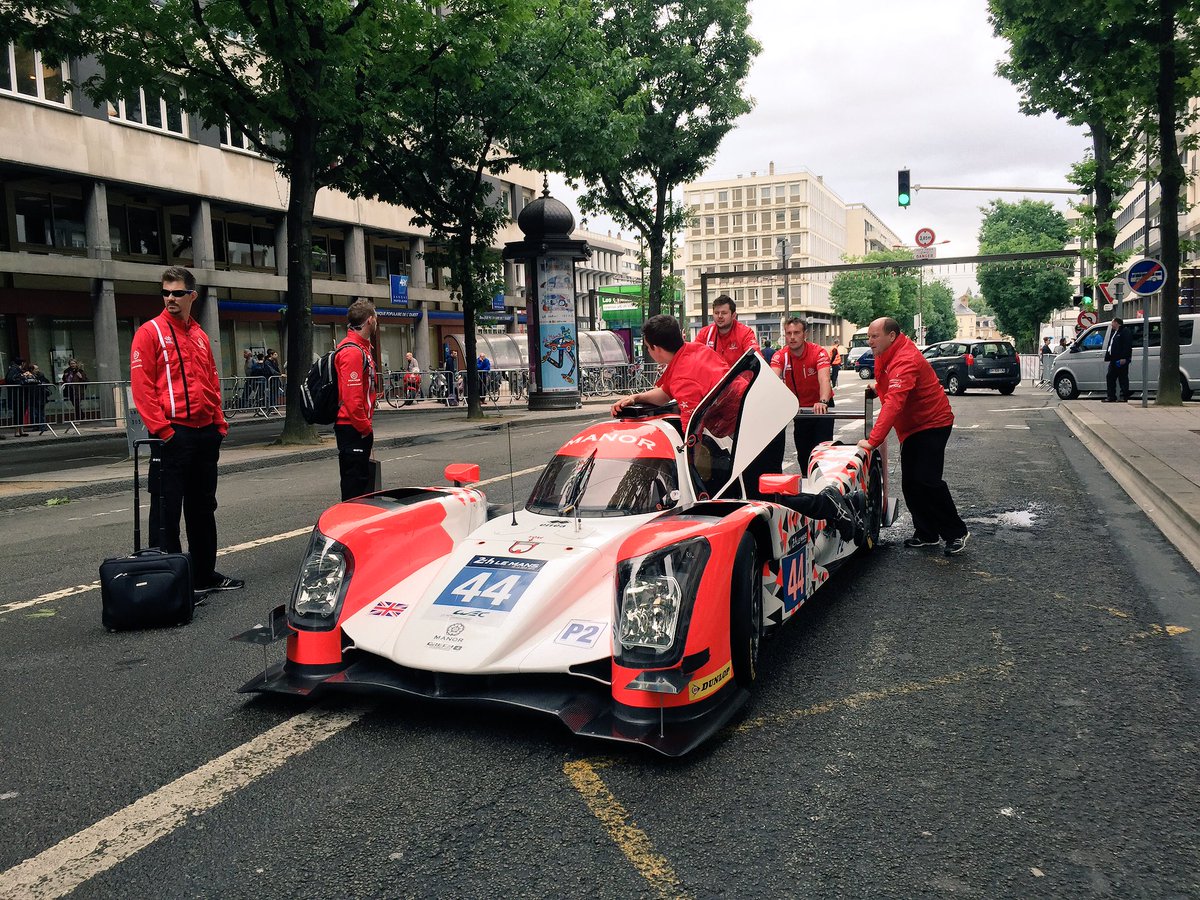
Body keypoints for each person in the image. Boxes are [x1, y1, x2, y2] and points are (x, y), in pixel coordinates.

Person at [611, 315, 858, 539]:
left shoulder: (684, 377)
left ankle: (828, 506)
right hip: (759, 418)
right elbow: (665, 393)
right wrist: (636, 398)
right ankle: (828, 507)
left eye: (646, 346)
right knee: (755, 492)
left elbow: (691, 439)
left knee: (759, 496)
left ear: (655, 349)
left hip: (758, 428)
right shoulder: (693, 351)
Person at [130, 266, 243, 598]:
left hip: (205, 433)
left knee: (203, 508)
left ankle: (204, 575)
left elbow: (209, 381)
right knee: (166, 511)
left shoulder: (200, 335)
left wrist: (218, 423)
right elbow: (143, 389)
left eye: (177, 293)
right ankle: (169, 583)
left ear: (192, 296)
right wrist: (164, 432)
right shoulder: (149, 333)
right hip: (172, 434)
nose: (170, 299)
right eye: (165, 292)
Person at [856, 317, 969, 556]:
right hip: (913, 427)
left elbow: (895, 403)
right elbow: (890, 382)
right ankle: (927, 533)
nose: (870, 341)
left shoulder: (905, 359)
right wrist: (879, 388)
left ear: (892, 336)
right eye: (869, 336)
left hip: (933, 422)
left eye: (875, 336)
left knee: (927, 480)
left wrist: (873, 441)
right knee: (910, 482)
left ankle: (956, 532)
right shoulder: (886, 354)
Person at [772, 317, 835, 476]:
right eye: (789, 333)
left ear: (804, 334)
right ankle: (809, 488)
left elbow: (824, 379)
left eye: (796, 333)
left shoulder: (818, 352)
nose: (792, 337)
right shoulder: (780, 356)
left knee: (821, 454)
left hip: (821, 405)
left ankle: (825, 489)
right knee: (804, 454)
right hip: (800, 410)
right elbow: (772, 380)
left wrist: (822, 401)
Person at [334, 299, 377, 500]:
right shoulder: (352, 351)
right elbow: (352, 399)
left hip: (355, 426)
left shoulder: (362, 348)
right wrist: (365, 428)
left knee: (361, 485)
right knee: (354, 490)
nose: (377, 321)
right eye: (375, 317)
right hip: (353, 427)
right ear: (370, 320)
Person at [694, 294, 760, 366]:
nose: (720, 316)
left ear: (734, 315)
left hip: (738, 376)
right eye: (716, 313)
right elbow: (693, 357)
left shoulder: (745, 333)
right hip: (713, 376)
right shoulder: (705, 333)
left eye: (724, 313)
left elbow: (756, 358)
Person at [1103, 316, 1133, 403]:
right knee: (1110, 377)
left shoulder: (1124, 332)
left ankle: (1124, 396)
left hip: (1121, 359)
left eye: (1112, 323)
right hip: (1113, 359)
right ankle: (1111, 396)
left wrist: (1125, 358)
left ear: (1116, 323)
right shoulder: (1114, 333)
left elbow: (1127, 346)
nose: (1111, 325)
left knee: (1122, 378)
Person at [24, 363, 51, 434]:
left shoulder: (40, 375)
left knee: (40, 412)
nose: (38, 370)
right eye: (36, 369)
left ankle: (43, 426)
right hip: (32, 396)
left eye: (37, 368)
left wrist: (40, 382)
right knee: (34, 412)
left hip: (40, 396)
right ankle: (36, 426)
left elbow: (47, 381)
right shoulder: (28, 375)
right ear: (31, 370)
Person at [5, 357, 27, 436]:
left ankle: (21, 430)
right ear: (21, 363)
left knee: (21, 412)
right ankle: (17, 430)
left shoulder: (18, 370)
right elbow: (10, 380)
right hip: (16, 395)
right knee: (18, 413)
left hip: (20, 394)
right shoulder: (14, 370)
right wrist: (22, 378)